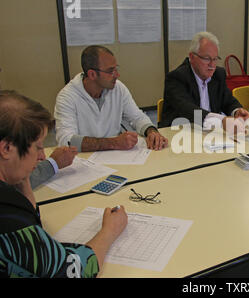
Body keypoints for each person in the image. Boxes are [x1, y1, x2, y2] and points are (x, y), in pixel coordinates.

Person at [0, 90, 127, 277]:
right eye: (38, 147)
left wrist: (23, 175)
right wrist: (109, 231)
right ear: (6, 148)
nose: (42, 156)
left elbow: (34, 223)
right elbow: (72, 271)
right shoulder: (9, 218)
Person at [55, 45, 168, 152]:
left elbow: (137, 117)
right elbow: (66, 140)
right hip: (84, 161)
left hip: (116, 156)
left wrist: (151, 131)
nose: (117, 75)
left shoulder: (118, 88)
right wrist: (113, 142)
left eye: (116, 69)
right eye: (110, 71)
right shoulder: (67, 97)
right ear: (92, 74)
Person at [161, 31, 249, 133]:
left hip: (210, 133)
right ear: (192, 57)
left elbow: (227, 100)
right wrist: (221, 121)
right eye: (207, 59)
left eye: (215, 59)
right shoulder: (176, 78)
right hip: (180, 134)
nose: (212, 65)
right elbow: (188, 110)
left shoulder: (218, 74)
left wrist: (236, 111)